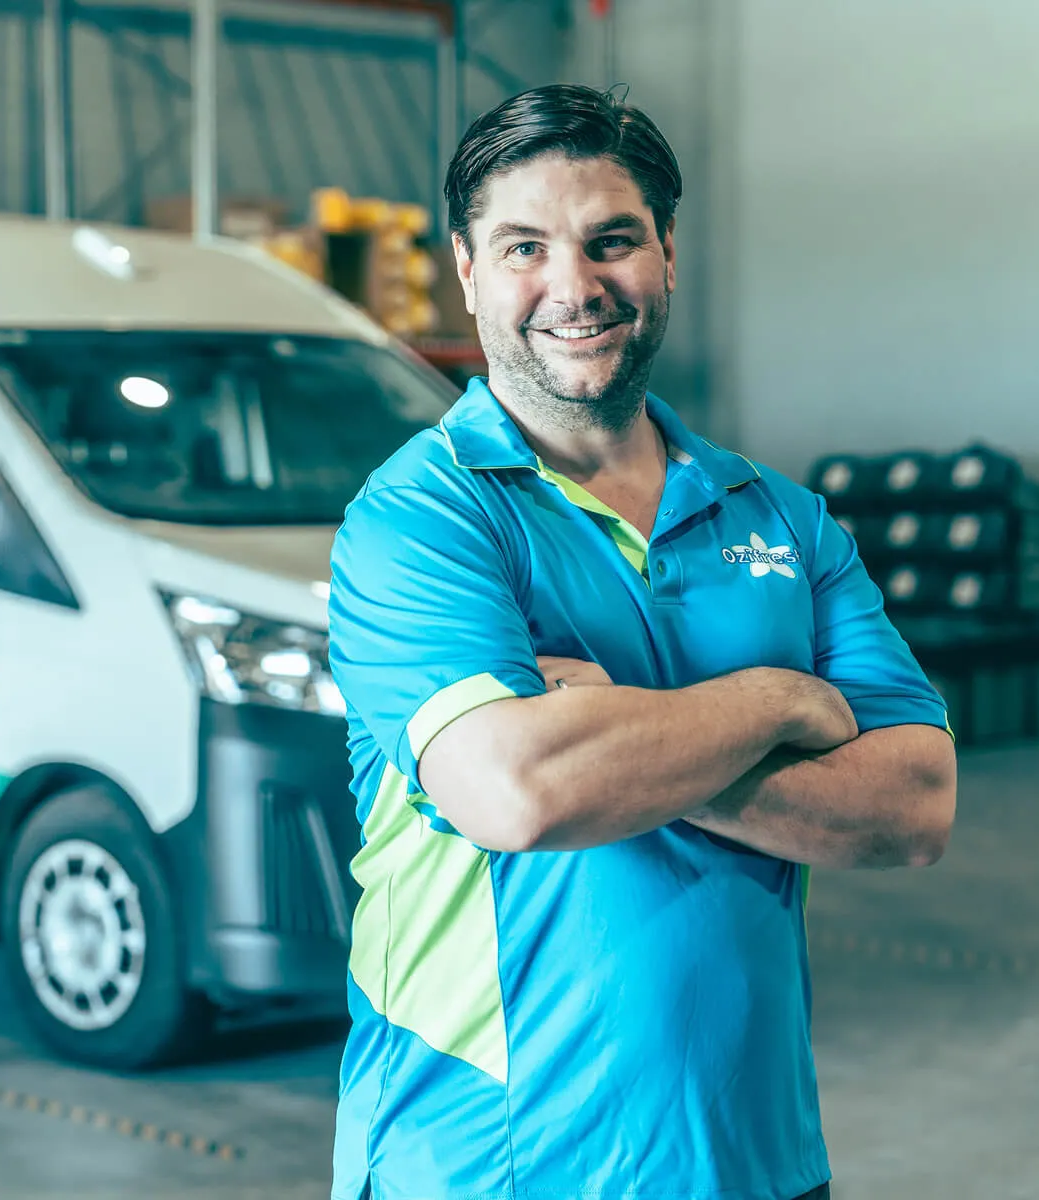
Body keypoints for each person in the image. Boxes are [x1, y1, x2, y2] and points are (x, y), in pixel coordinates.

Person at [325, 83, 957, 1200]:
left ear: (666, 255)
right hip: (489, 1164)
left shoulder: (780, 518)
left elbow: (913, 805)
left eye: (610, 241)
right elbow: (520, 793)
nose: (573, 287)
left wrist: (618, 731)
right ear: (468, 271)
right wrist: (774, 703)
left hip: (753, 1159)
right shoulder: (422, 517)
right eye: (525, 246)